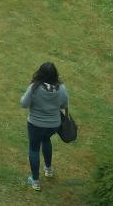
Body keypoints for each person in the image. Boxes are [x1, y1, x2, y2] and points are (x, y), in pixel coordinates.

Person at [19, 61, 69, 191]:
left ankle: (35, 181)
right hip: (54, 125)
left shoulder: (34, 87)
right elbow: (64, 105)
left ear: (40, 73)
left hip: (35, 124)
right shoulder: (62, 88)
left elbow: (24, 104)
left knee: (34, 149)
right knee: (46, 140)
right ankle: (48, 169)